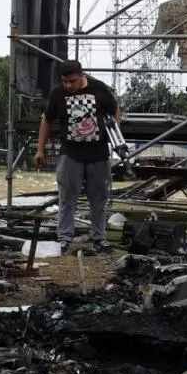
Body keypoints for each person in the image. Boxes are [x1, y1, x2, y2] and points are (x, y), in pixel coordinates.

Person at [35, 59, 120, 254]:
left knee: (98, 198)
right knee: (66, 197)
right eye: (64, 81)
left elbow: (114, 109)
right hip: (70, 153)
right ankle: (64, 238)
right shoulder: (58, 93)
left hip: (98, 153)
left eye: (72, 81)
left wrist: (115, 134)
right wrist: (40, 149)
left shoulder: (99, 88)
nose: (68, 85)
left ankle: (100, 238)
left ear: (81, 76)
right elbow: (46, 120)